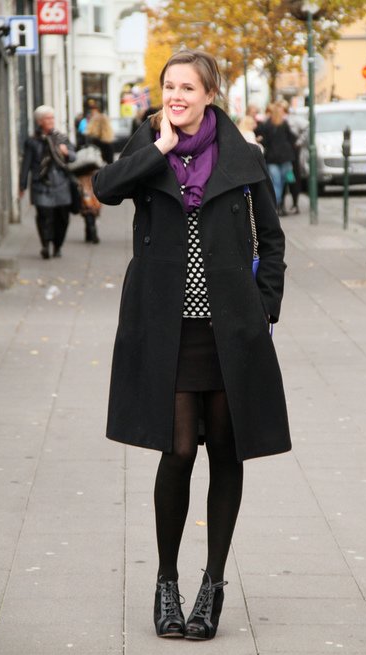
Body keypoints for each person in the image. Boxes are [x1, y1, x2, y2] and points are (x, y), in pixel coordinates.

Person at [92, 49, 291, 641]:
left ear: (209, 94)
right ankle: (166, 582)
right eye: (169, 86)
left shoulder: (243, 156)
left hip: (229, 330)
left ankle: (213, 585)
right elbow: (105, 189)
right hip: (168, 329)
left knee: (226, 450)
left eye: (187, 87)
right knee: (177, 451)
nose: (176, 96)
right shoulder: (147, 143)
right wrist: (157, 147)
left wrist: (264, 307)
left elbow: (272, 240)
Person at [19, 105, 76, 259]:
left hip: (61, 184)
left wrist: (66, 152)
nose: (51, 121)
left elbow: (73, 157)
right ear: (39, 122)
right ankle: (45, 245)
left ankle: (58, 245)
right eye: (47, 118)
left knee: (62, 218)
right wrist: (22, 185)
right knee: (44, 216)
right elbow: (26, 164)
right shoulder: (32, 142)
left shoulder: (61, 138)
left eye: (52, 118)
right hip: (41, 185)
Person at [256, 101, 296, 216]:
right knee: (282, 183)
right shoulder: (284, 124)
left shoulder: (267, 125)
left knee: (276, 183)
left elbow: (265, 141)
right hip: (285, 157)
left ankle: (275, 206)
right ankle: (278, 205)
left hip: (272, 158)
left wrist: (261, 140)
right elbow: (292, 138)